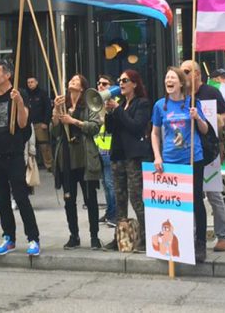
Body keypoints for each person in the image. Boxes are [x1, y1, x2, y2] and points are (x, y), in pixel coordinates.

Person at [151, 66, 214, 263]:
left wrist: (197, 117)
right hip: (170, 160)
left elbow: (204, 130)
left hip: (193, 159)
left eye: (172, 78)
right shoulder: (160, 105)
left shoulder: (192, 103)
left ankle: (200, 242)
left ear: (180, 83)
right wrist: (157, 156)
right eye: (166, 78)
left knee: (195, 201)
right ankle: (177, 242)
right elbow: (155, 133)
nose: (168, 81)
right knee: (174, 204)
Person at [0, 60, 40, 256]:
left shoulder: (19, 94)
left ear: (7, 75)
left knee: (21, 197)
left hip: (13, 154)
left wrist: (18, 102)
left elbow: (23, 124)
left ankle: (33, 238)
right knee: (2, 199)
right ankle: (9, 237)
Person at [182, 59, 225, 252]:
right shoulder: (181, 95)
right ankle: (193, 235)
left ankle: (222, 236)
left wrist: (217, 120)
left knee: (213, 193)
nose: (183, 74)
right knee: (191, 195)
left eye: (186, 71)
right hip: (188, 152)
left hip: (209, 150)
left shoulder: (211, 92)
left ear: (197, 74)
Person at [51, 73, 104, 250]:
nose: (72, 82)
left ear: (82, 87)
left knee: (90, 199)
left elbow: (95, 127)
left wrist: (73, 121)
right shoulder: (62, 105)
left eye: (76, 80)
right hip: (66, 158)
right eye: (71, 80)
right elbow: (55, 132)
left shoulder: (88, 104)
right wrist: (56, 112)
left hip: (85, 157)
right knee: (69, 199)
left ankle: (94, 236)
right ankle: (74, 235)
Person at [103, 69, 152, 252]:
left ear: (135, 84)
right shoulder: (121, 104)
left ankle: (146, 237)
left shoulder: (142, 103)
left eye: (125, 80)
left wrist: (117, 110)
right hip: (118, 155)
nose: (121, 83)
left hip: (134, 157)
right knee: (120, 197)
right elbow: (110, 129)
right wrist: (109, 113)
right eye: (120, 80)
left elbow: (136, 127)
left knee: (136, 197)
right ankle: (120, 238)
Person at [94, 74, 117, 227]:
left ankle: (114, 214)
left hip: (109, 147)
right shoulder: (96, 102)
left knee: (110, 183)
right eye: (99, 83)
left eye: (104, 84)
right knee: (105, 183)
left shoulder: (113, 102)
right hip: (99, 145)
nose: (100, 86)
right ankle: (109, 212)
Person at [24, 76, 52, 170]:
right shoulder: (26, 94)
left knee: (44, 146)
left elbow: (48, 108)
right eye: (28, 82)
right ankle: (31, 165)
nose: (30, 84)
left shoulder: (42, 94)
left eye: (32, 82)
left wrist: (46, 122)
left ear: (36, 82)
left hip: (40, 124)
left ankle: (49, 165)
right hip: (28, 124)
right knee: (29, 146)